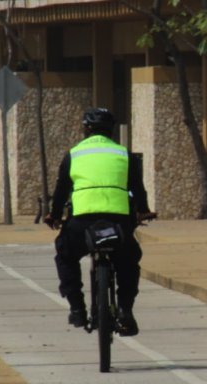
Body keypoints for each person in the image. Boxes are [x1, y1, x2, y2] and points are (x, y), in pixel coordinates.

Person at [44, 107, 152, 337]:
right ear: (111, 131)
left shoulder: (74, 154)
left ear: (86, 129)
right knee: (129, 260)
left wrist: (53, 216)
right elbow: (137, 189)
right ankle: (125, 310)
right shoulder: (124, 154)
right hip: (118, 222)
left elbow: (61, 190)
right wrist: (143, 211)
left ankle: (76, 308)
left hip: (81, 222)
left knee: (65, 255)